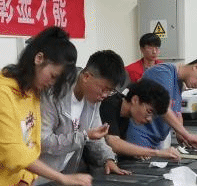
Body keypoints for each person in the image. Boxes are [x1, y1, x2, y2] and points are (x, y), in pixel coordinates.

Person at [0, 26, 93, 186]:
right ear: (39, 58)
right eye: (53, 76)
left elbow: (32, 145)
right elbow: (13, 153)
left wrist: (24, 178)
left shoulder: (32, 94)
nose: (52, 84)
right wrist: (62, 178)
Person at [39, 50, 130, 178]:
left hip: (63, 175)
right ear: (86, 77)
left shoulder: (93, 99)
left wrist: (108, 159)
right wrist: (84, 136)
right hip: (37, 175)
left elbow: (95, 137)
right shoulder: (54, 95)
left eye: (110, 91)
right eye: (104, 89)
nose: (105, 95)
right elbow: (43, 142)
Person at [125, 54, 197, 150]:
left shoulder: (179, 84)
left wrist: (180, 134)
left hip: (154, 142)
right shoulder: (163, 72)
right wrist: (187, 135)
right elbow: (164, 109)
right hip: (139, 138)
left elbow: (177, 113)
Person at [98, 79, 181, 161]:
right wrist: (157, 152)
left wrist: (138, 152)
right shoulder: (109, 105)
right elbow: (113, 143)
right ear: (135, 100)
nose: (149, 119)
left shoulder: (126, 113)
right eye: (149, 111)